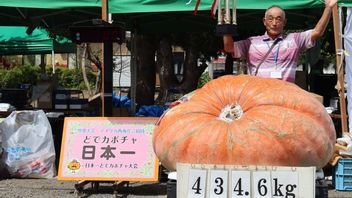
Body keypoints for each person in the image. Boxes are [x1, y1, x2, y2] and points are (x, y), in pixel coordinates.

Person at [223, 0, 338, 83]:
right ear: (264, 21)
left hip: (285, 98)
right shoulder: (251, 43)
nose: (274, 23)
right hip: (259, 98)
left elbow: (317, 32)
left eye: (279, 19)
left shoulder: (294, 40)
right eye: (270, 19)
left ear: (284, 22)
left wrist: (328, 8)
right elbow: (229, 48)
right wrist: (225, 27)